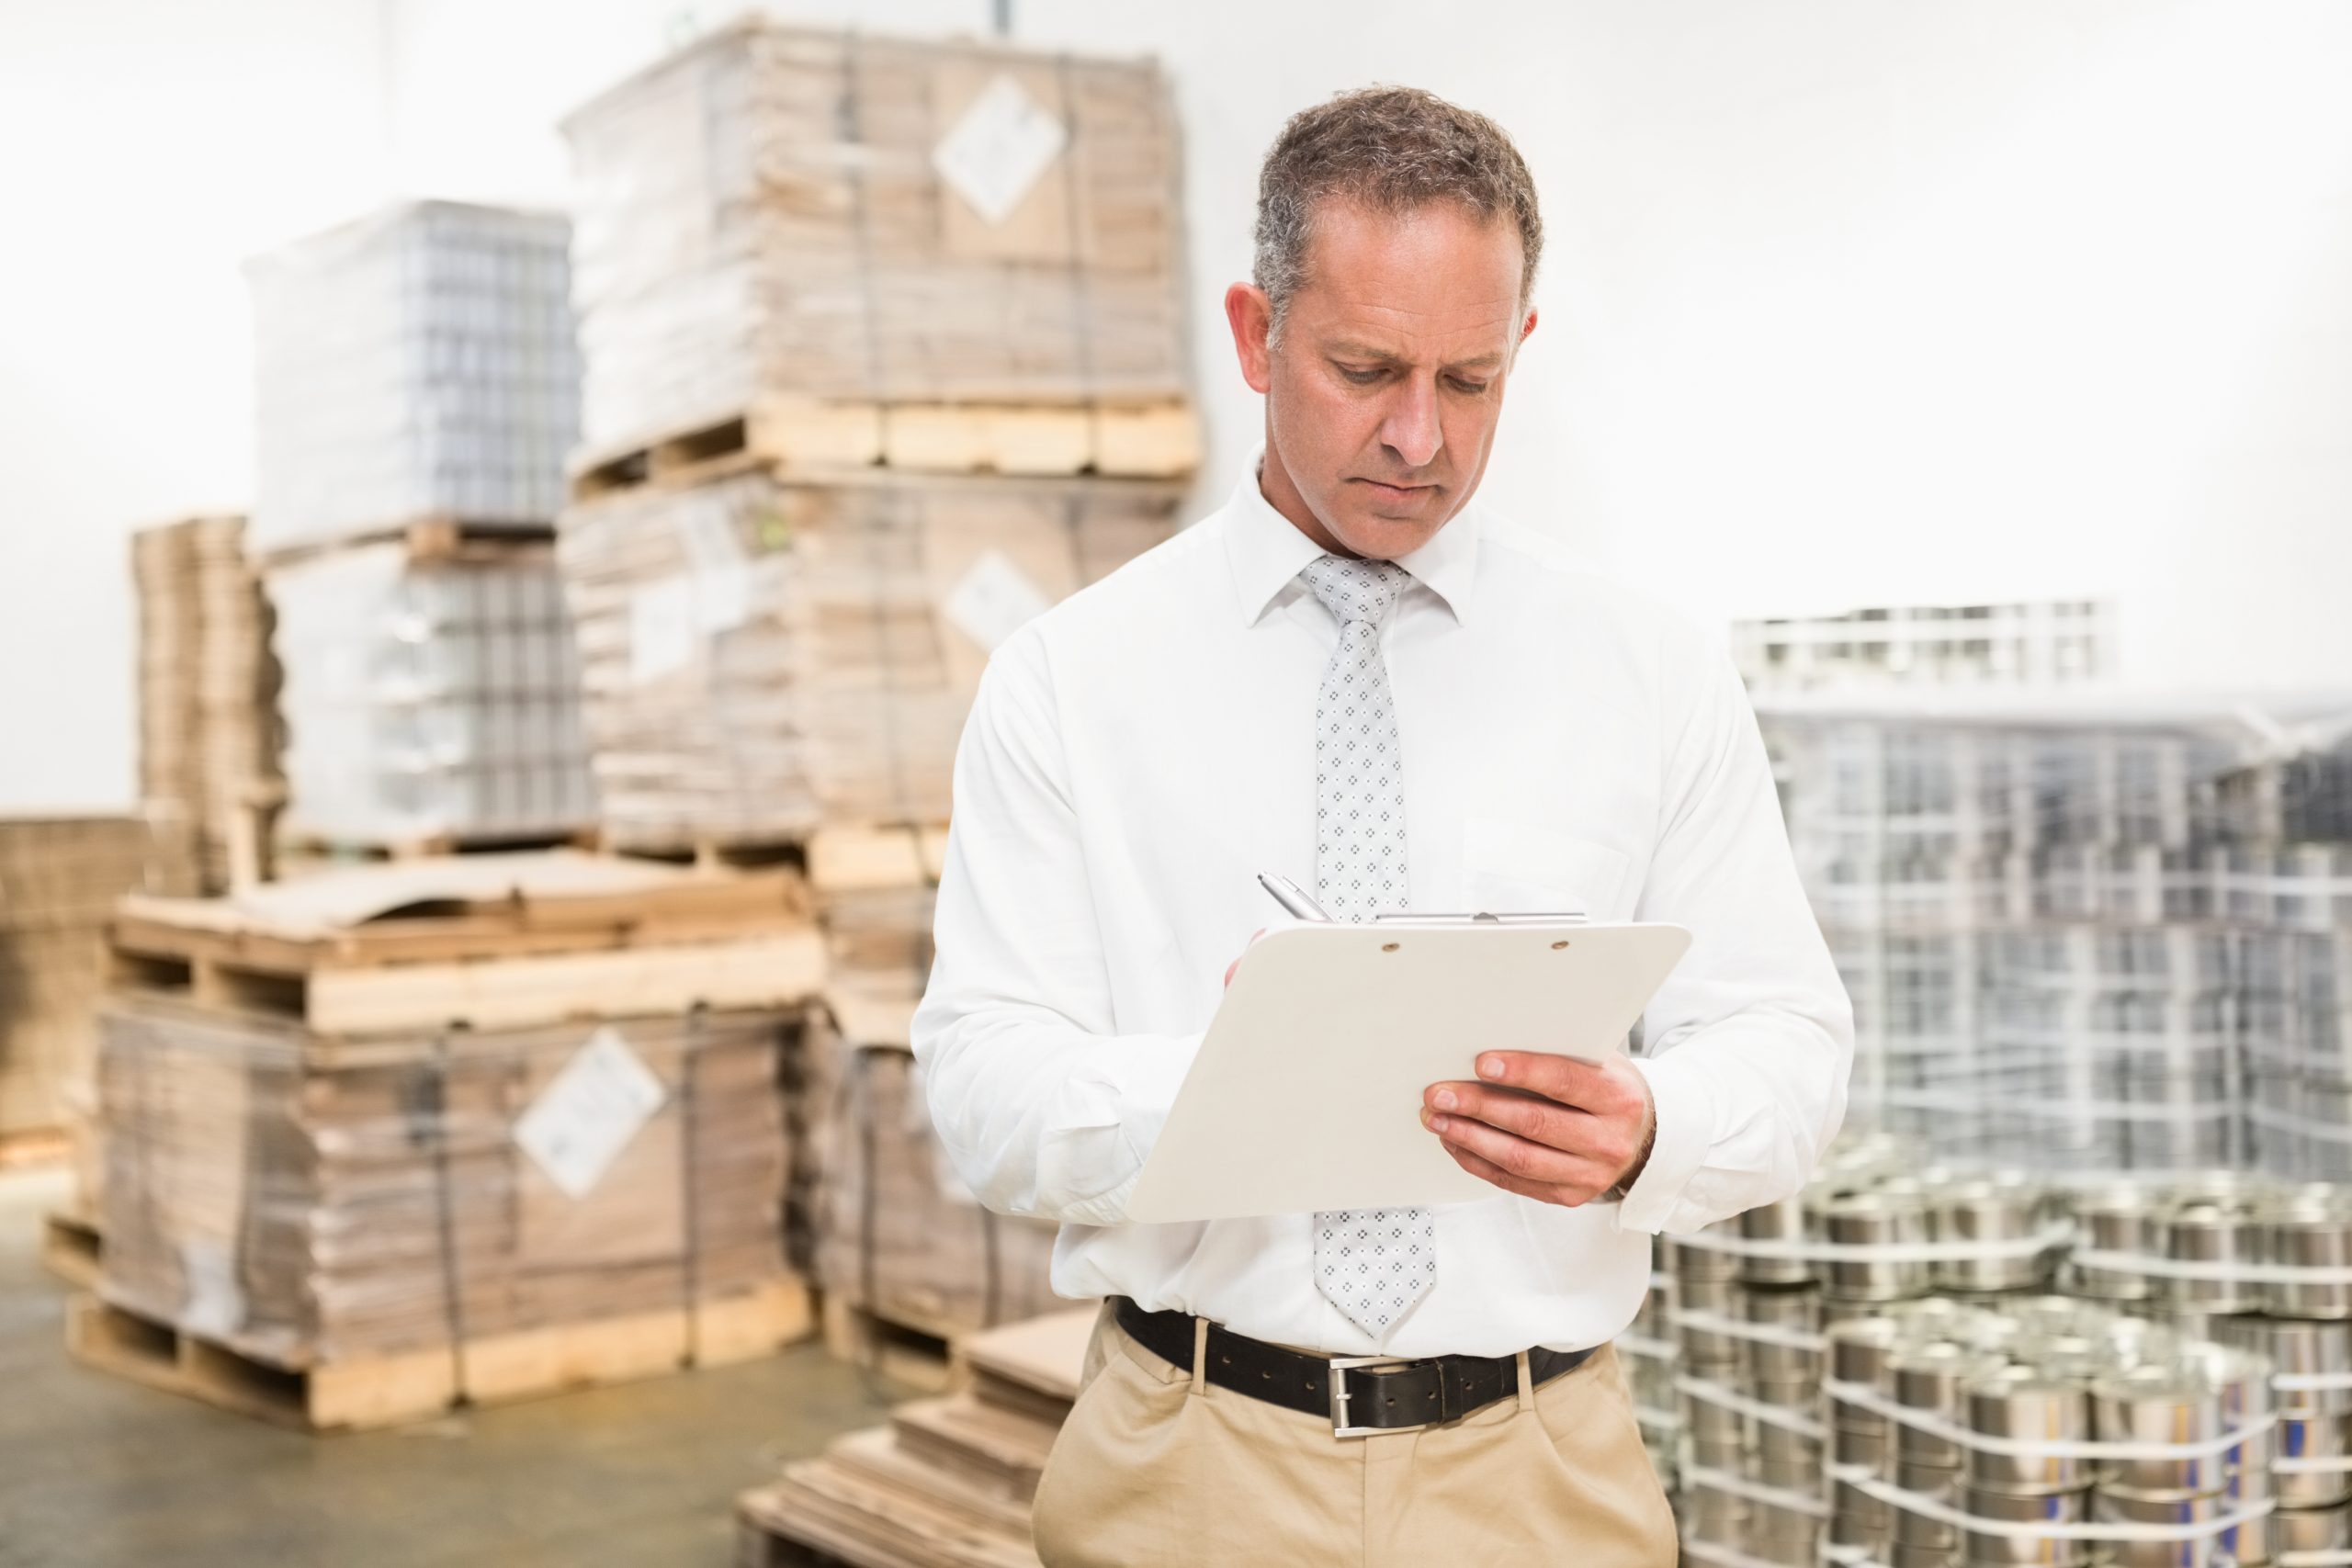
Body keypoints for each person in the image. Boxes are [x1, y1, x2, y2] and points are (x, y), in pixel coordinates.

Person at [910, 84, 1853, 1567]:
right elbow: (980, 1084)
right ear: (1254, 333)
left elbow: (1793, 1046)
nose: (1420, 436)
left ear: (1521, 350)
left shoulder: (1647, 671)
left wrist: (1647, 1131)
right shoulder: (1071, 681)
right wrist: (1237, 1091)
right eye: (1364, 369)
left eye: (1470, 380)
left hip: (1543, 1479)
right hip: (1193, 1472)